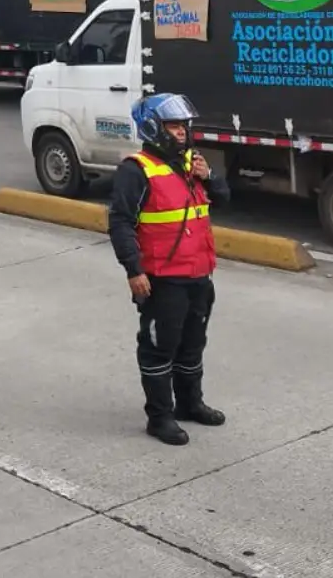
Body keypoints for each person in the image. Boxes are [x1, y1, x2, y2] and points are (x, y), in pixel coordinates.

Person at [106, 93, 230, 447]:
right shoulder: (136, 170)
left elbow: (223, 200)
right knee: (160, 347)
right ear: (152, 128)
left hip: (199, 275)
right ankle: (160, 417)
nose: (182, 133)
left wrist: (212, 178)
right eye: (174, 126)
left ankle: (190, 404)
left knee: (193, 345)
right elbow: (120, 223)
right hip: (163, 279)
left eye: (184, 126)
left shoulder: (193, 163)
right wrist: (133, 269)